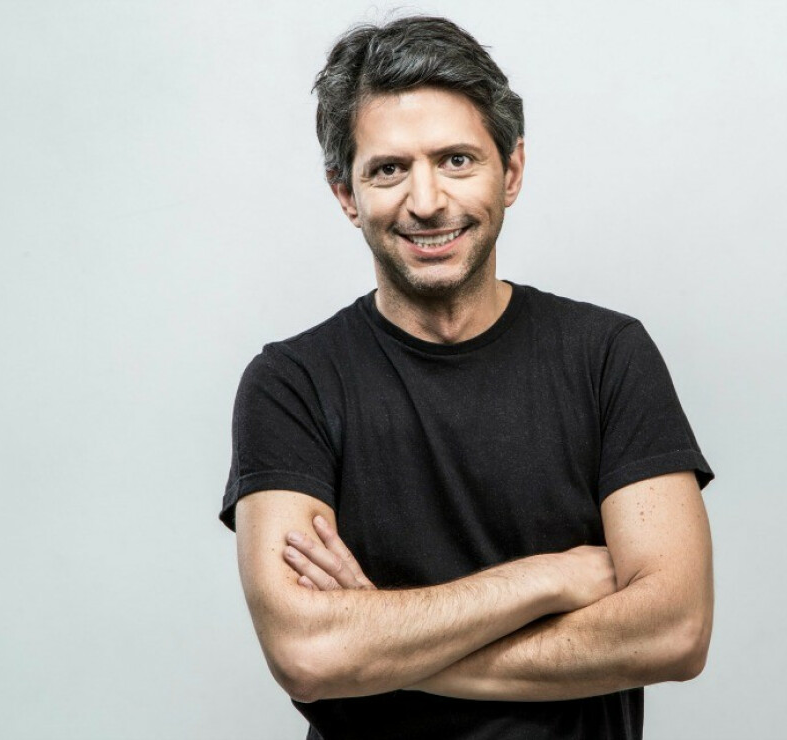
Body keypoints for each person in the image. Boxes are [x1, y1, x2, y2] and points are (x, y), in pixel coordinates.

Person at [220, 15, 715, 740]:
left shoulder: (607, 355)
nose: (426, 201)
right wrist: (546, 578)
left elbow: (674, 631)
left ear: (510, 172)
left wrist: (380, 649)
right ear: (346, 194)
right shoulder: (291, 384)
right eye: (389, 169)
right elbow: (308, 651)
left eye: (456, 160)